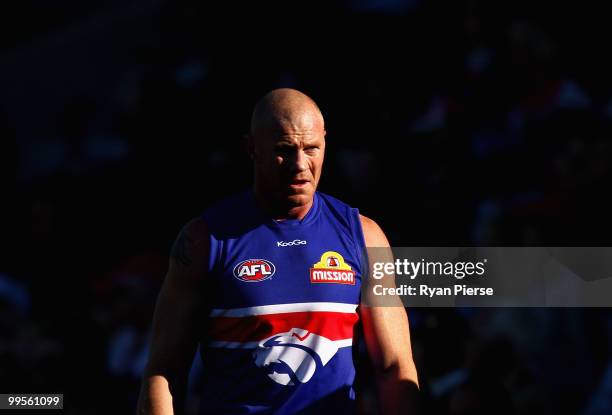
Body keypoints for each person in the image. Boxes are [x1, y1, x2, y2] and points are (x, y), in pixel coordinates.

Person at [137, 88, 419, 414]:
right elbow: (164, 372)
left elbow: (395, 366)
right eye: (285, 150)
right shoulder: (204, 240)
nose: (301, 164)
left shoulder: (365, 237)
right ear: (251, 149)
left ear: (326, 141)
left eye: (312, 148)